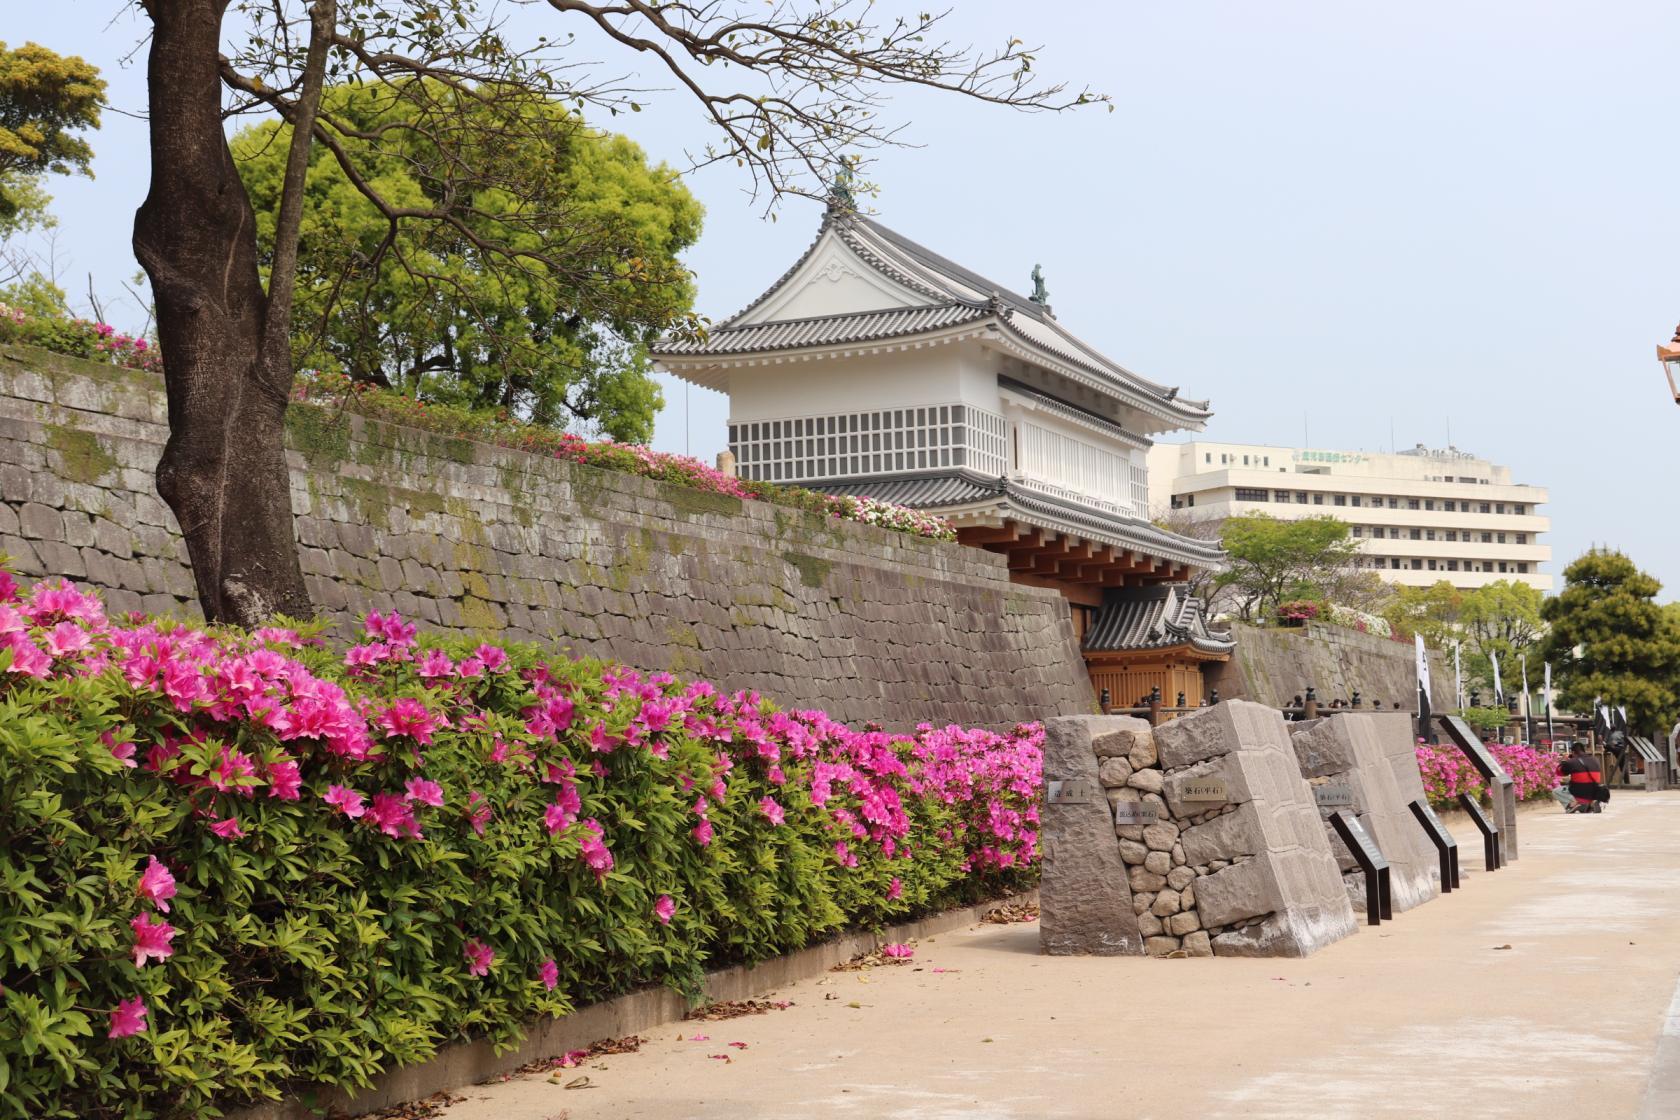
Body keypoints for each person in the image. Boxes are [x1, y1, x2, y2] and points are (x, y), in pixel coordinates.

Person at [1555, 743, 1604, 814]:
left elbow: (1559, 773)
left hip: (1580, 792)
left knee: (1556, 791)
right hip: (1595, 790)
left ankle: (1573, 804)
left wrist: (1564, 761)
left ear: (1573, 752)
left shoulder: (1571, 762)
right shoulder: (1595, 760)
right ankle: (1592, 802)